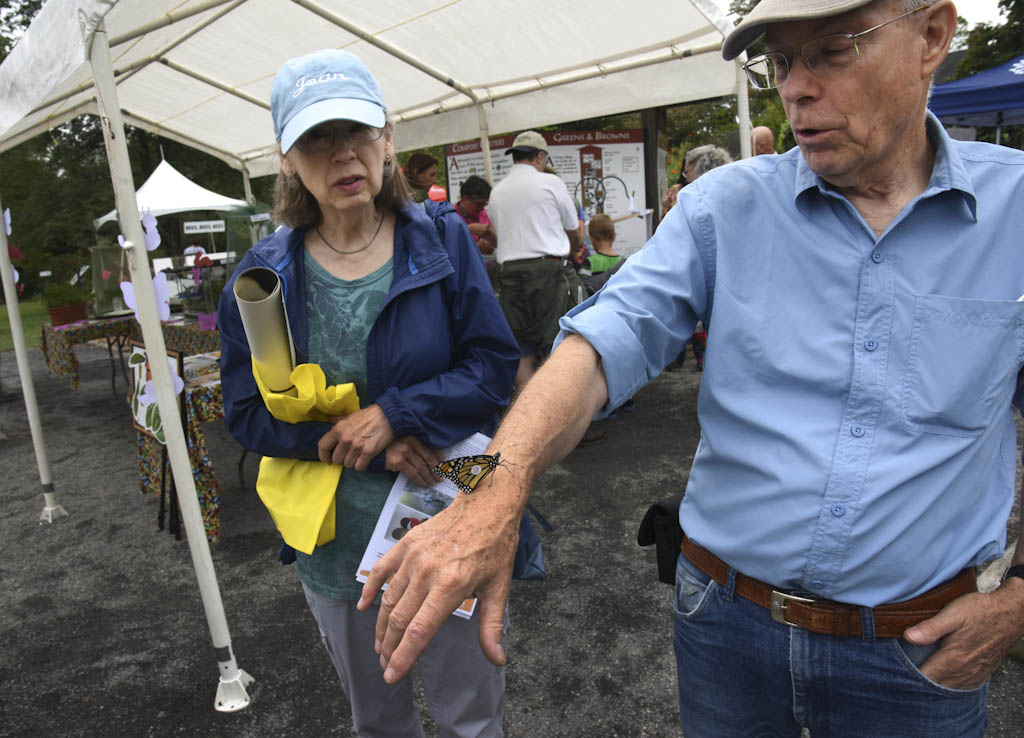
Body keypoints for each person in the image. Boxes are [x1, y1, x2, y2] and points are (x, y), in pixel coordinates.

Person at [357, 1, 1024, 736]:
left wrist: (1018, 599)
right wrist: (496, 488)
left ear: (932, 36)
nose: (796, 87)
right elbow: (599, 344)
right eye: (781, 60)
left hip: (920, 648)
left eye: (833, 51)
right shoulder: (722, 207)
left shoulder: (1014, 211)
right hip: (728, 627)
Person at [218, 49, 518, 738]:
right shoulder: (264, 274)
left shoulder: (440, 241)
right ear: (288, 159)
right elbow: (244, 412)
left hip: (448, 520)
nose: (341, 153)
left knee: (471, 718)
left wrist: (394, 415)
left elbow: (495, 367)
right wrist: (363, 448)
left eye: (356, 130)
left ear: (388, 139)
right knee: (378, 722)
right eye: (317, 138)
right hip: (336, 544)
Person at [487, 130, 583, 391]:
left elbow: (501, 235)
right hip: (550, 271)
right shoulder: (551, 183)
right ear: (541, 156)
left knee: (522, 351)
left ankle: (534, 418)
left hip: (509, 274)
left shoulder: (496, 192)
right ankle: (567, 423)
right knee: (563, 344)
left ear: (514, 157)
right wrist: (573, 249)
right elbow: (573, 229)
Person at [454, 174, 497, 257]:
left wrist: (492, 239)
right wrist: (476, 247)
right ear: (464, 198)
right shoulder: (451, 217)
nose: (482, 208)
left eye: (485, 204)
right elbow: (450, 250)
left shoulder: (482, 213)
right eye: (479, 204)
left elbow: (496, 243)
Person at [579, 214, 620, 279]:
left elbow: (581, 287)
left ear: (592, 238)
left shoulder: (589, 263)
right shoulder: (623, 263)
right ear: (614, 236)